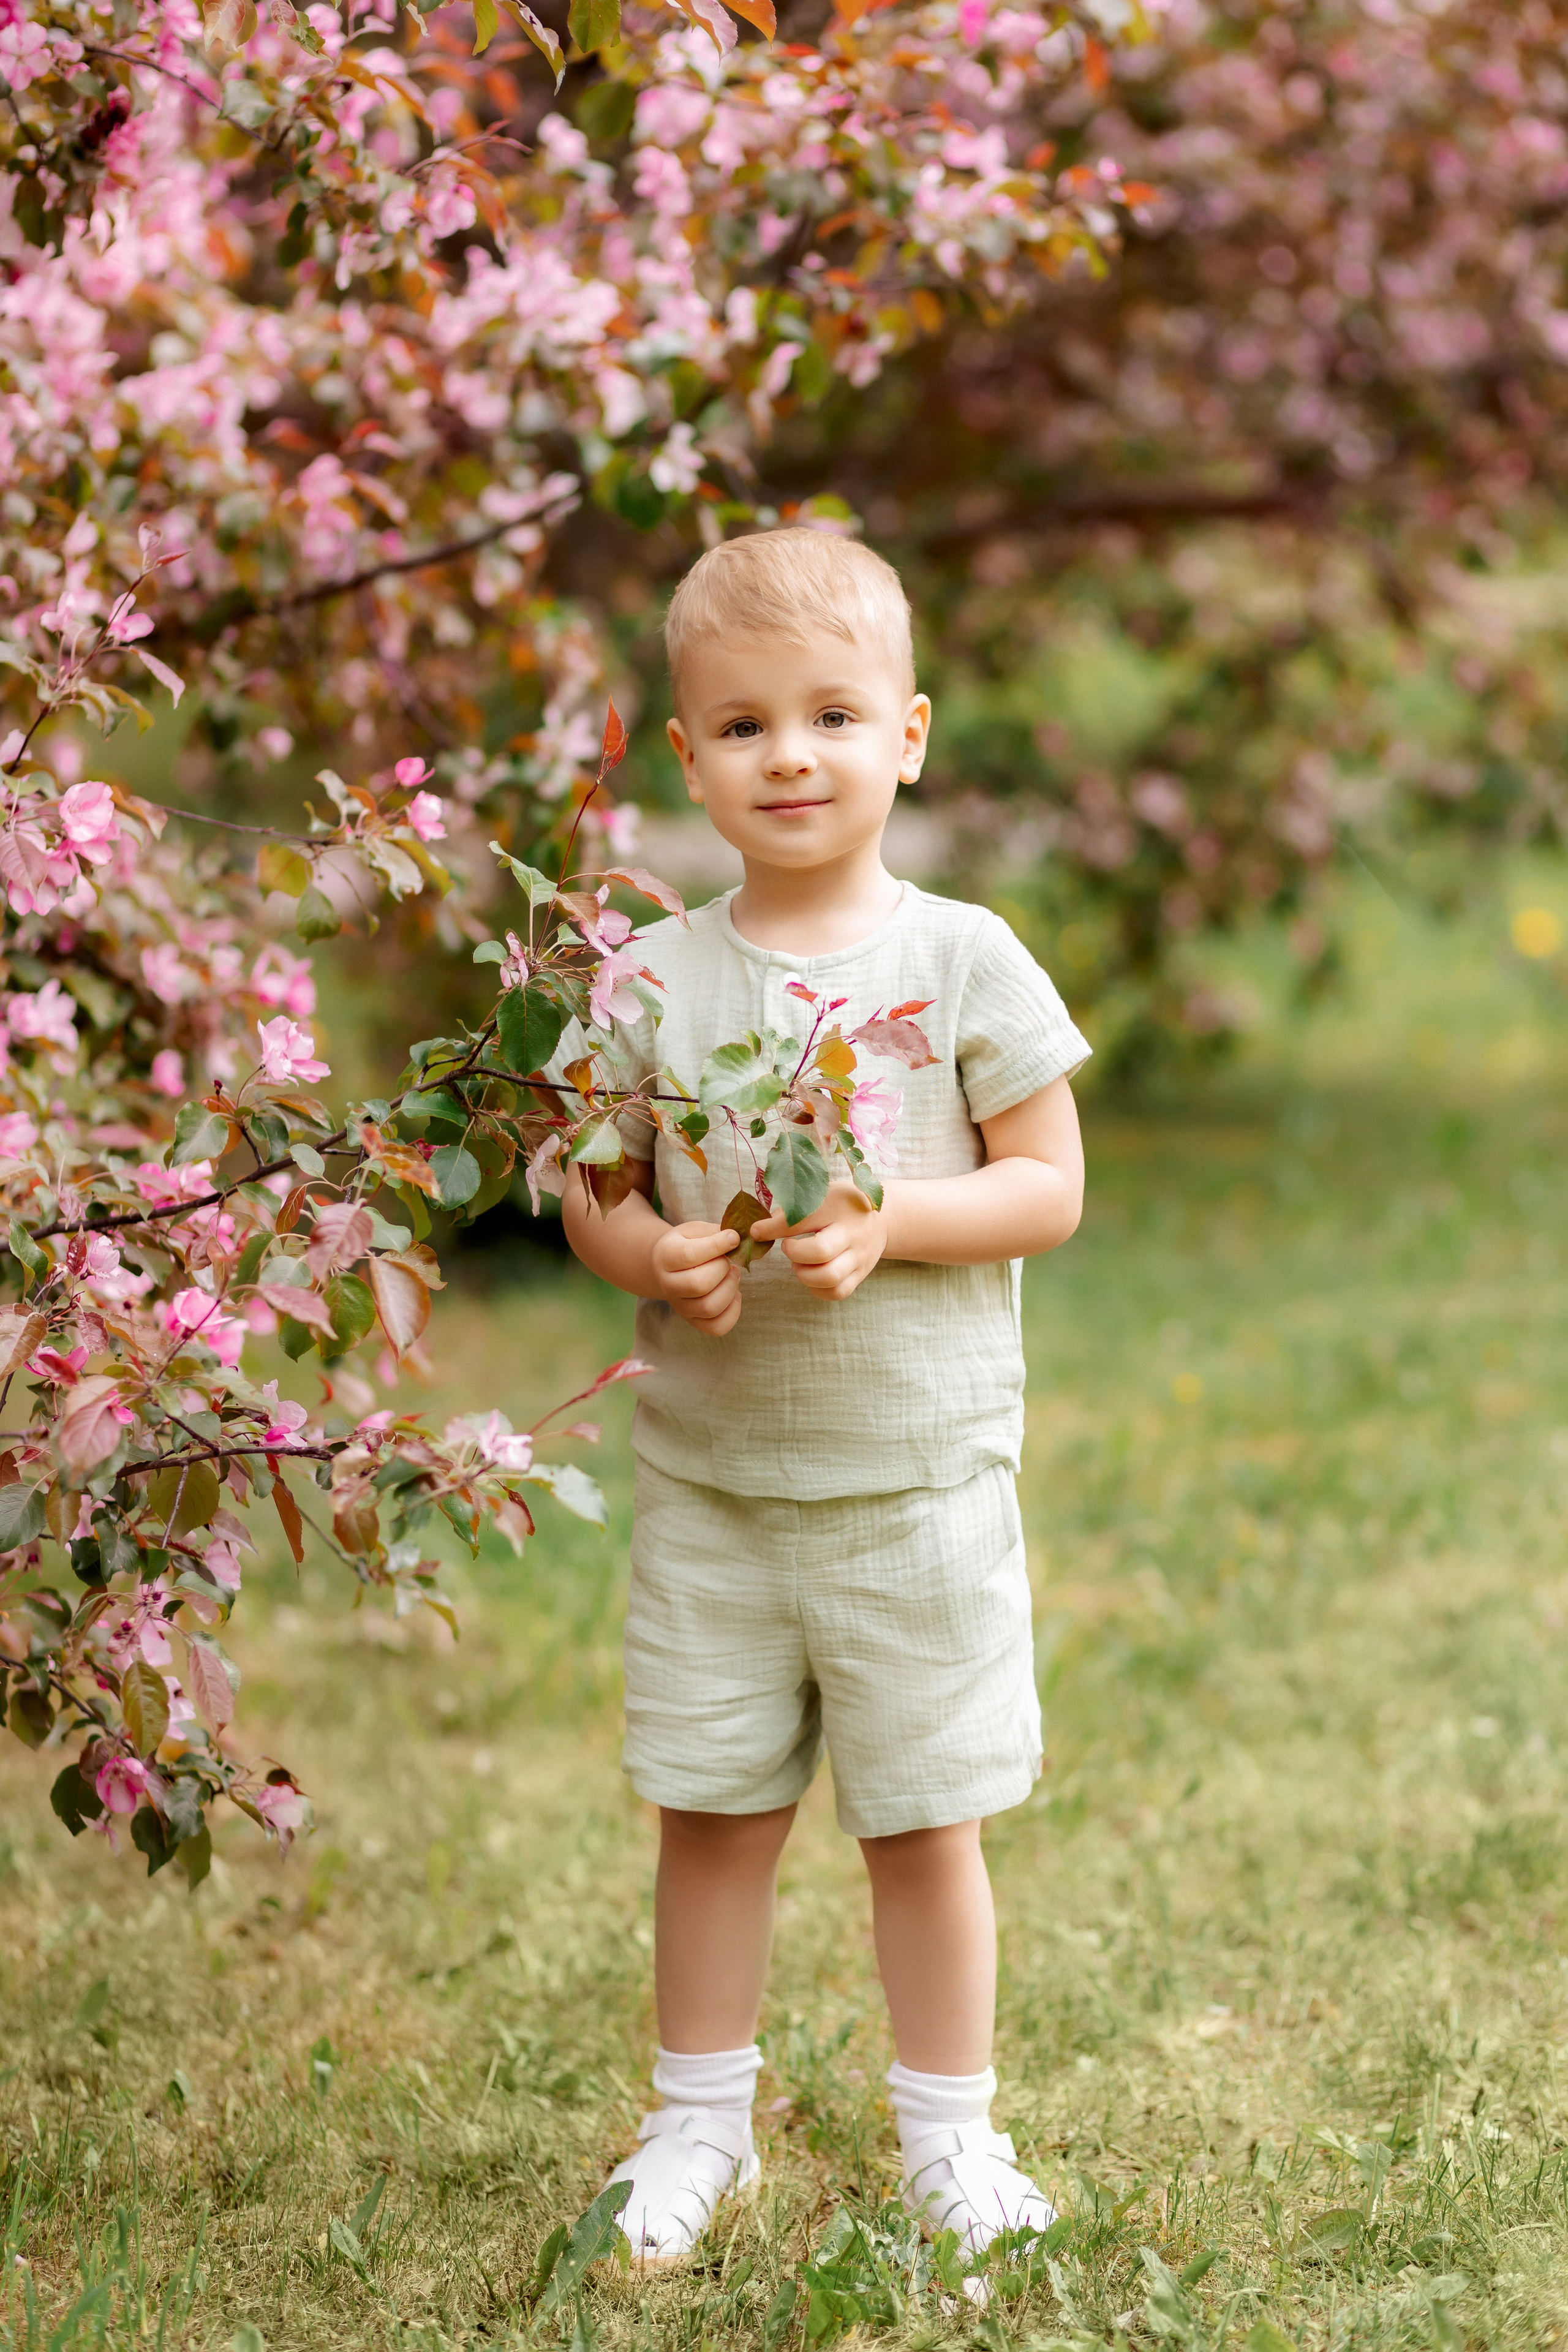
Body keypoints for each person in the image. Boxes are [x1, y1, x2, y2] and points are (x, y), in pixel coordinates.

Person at [559, 526, 1090, 2269]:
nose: (791, 754)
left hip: (916, 1488)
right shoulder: (653, 975)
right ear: (686, 756)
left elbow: (1047, 1190)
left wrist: (896, 1220)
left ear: (910, 735)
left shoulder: (961, 963)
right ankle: (694, 2124)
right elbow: (593, 1184)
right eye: (743, 725)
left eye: (835, 716)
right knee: (712, 1816)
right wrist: (652, 1258)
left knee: (924, 1828)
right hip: (717, 1487)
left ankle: (955, 2137)